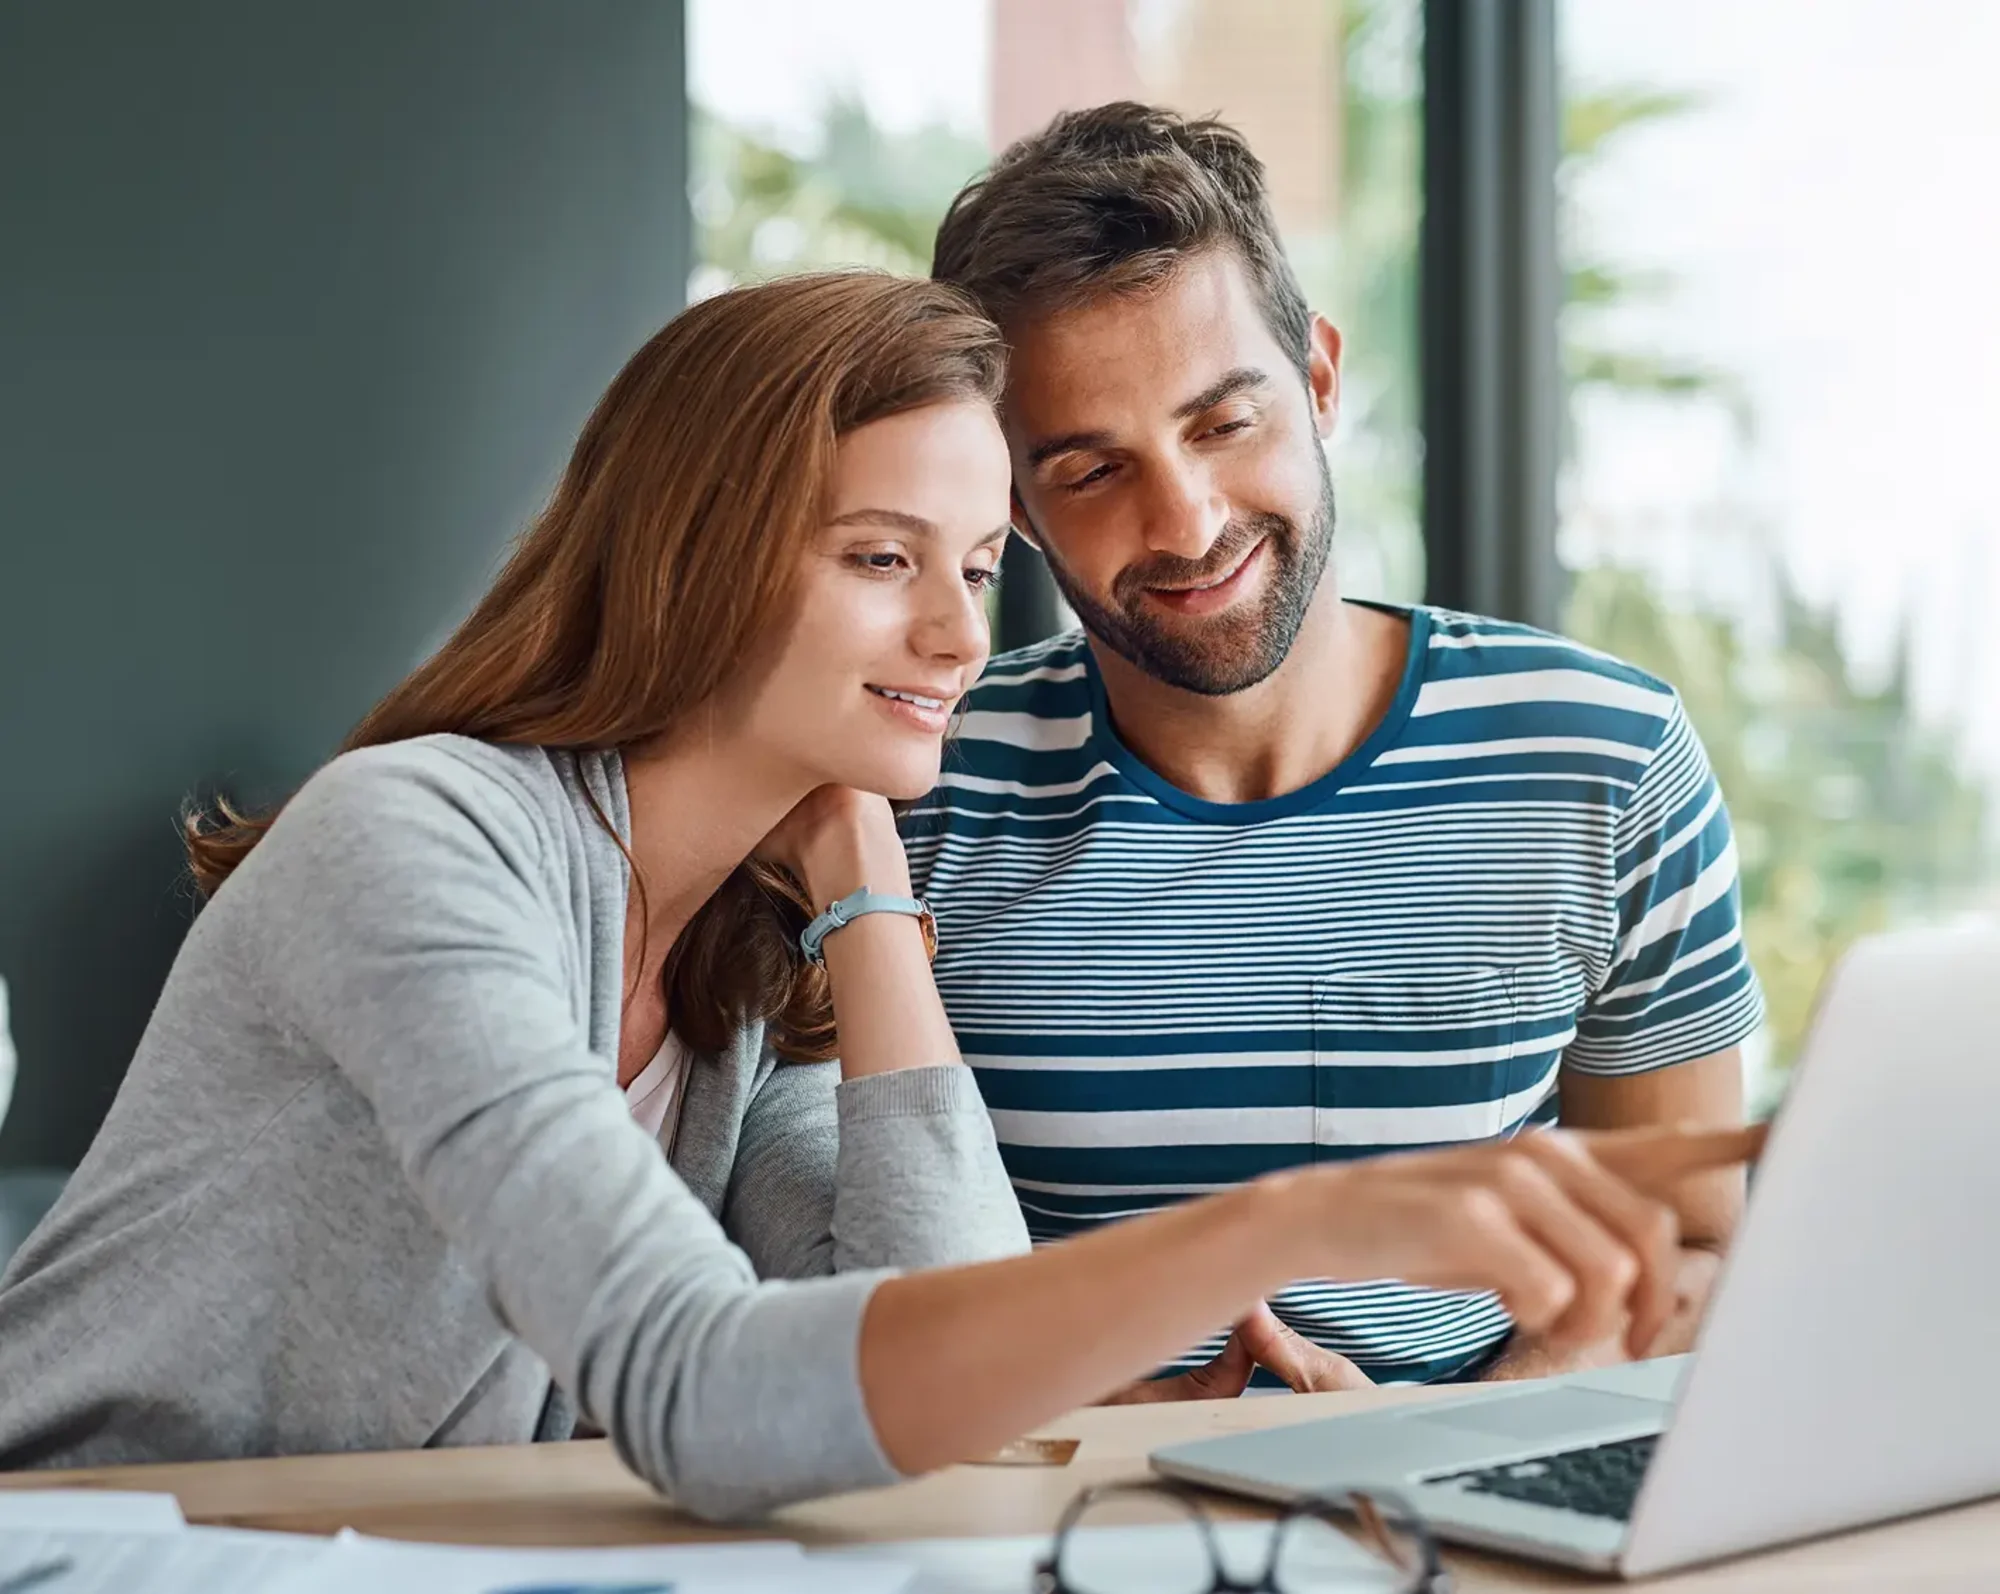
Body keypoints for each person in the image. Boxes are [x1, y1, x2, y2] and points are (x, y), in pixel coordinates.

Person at [0, 271, 1758, 1520]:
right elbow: (694, 1387)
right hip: (97, 1542)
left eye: (984, 568)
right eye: (880, 561)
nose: (955, 636)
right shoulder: (421, 842)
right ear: (690, 554)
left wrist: (861, 874)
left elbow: (930, 1330)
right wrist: (1291, 1223)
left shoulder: (738, 965)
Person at [913, 104, 1766, 1396]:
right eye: (1091, 472)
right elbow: (833, 1287)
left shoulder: (1609, 761)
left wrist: (1425, 1453)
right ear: (1016, 509)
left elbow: (1694, 1251)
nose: (1186, 521)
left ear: (1317, 375)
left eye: (1222, 423)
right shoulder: (918, 792)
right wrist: (1110, 1423)